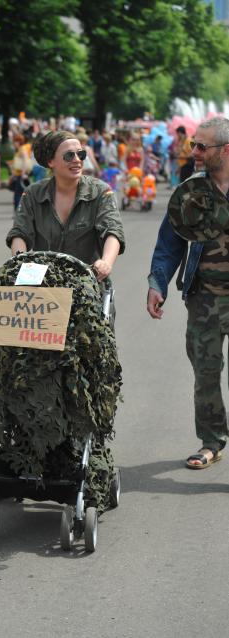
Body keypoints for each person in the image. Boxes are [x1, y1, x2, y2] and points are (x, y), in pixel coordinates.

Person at [147, 116, 229, 469]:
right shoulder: (191, 191)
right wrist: (157, 283)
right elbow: (169, 242)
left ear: (225, 150)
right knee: (206, 373)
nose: (193, 151)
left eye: (201, 146)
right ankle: (211, 441)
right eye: (193, 144)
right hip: (204, 298)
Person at [6, 130, 125, 283]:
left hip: (87, 284)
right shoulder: (33, 194)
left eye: (80, 154)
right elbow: (20, 233)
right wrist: (20, 262)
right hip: (44, 284)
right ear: (51, 161)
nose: (77, 160)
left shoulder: (100, 191)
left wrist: (106, 262)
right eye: (69, 155)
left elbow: (112, 230)